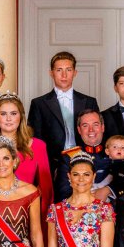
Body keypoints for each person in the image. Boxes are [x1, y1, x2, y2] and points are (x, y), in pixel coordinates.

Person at [0, 93, 53, 216]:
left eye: (13, 113)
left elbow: (46, 191)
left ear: (21, 116)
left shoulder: (38, 146)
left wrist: (42, 227)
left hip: (27, 216)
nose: (8, 119)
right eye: (3, 114)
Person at [27, 51, 99, 179]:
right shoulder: (39, 103)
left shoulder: (89, 101)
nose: (64, 75)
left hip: (85, 160)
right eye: (59, 70)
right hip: (52, 163)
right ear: (51, 73)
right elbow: (35, 139)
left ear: (75, 73)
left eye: (68, 70)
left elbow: (97, 134)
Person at [53, 109, 114, 201]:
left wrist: (108, 189)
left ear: (102, 127)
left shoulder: (117, 151)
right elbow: (63, 192)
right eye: (85, 125)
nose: (91, 130)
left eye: (95, 124)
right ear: (79, 130)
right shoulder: (68, 157)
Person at [104, 135, 124, 201]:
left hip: (121, 195)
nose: (119, 149)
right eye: (115, 147)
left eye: (123, 147)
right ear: (107, 151)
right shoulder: (103, 163)